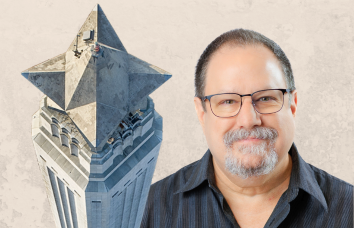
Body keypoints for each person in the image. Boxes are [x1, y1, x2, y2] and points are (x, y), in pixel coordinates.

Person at [140, 29, 353, 228]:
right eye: (228, 102)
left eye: (266, 98)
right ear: (201, 113)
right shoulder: (145, 213)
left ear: (293, 104)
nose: (249, 119)